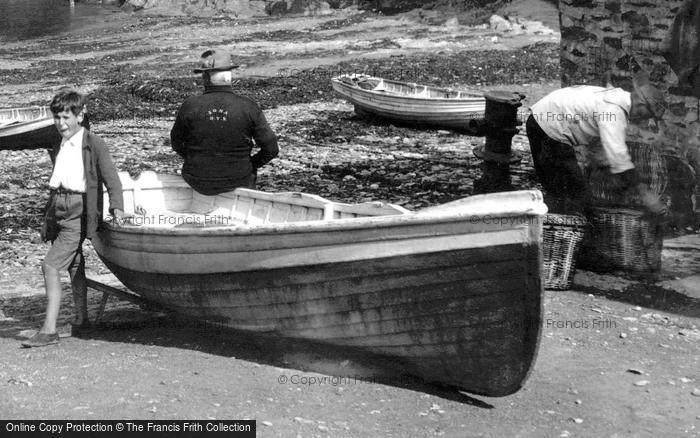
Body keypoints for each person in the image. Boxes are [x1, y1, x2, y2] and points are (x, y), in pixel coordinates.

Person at [21, 89, 126, 348]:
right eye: (56, 117)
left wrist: (117, 208)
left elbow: (111, 178)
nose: (61, 123)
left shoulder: (93, 142)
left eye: (66, 117)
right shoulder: (59, 142)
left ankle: (48, 331)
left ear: (81, 115)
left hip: (79, 210)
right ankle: (81, 321)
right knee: (74, 263)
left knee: (51, 266)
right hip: (58, 207)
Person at [526, 73, 667, 214]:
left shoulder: (617, 98)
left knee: (566, 191)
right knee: (573, 195)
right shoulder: (614, 111)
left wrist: (609, 174)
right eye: (647, 115)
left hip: (543, 120)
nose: (646, 120)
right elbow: (618, 156)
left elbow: (602, 147)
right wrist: (646, 194)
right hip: (547, 128)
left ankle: (546, 222)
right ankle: (536, 223)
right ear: (641, 104)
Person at [170, 49, 279, 195]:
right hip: (239, 180)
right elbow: (271, 149)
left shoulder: (190, 105)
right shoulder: (248, 106)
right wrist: (250, 165)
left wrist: (195, 159)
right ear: (229, 75)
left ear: (205, 76)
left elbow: (176, 143)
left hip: (197, 179)